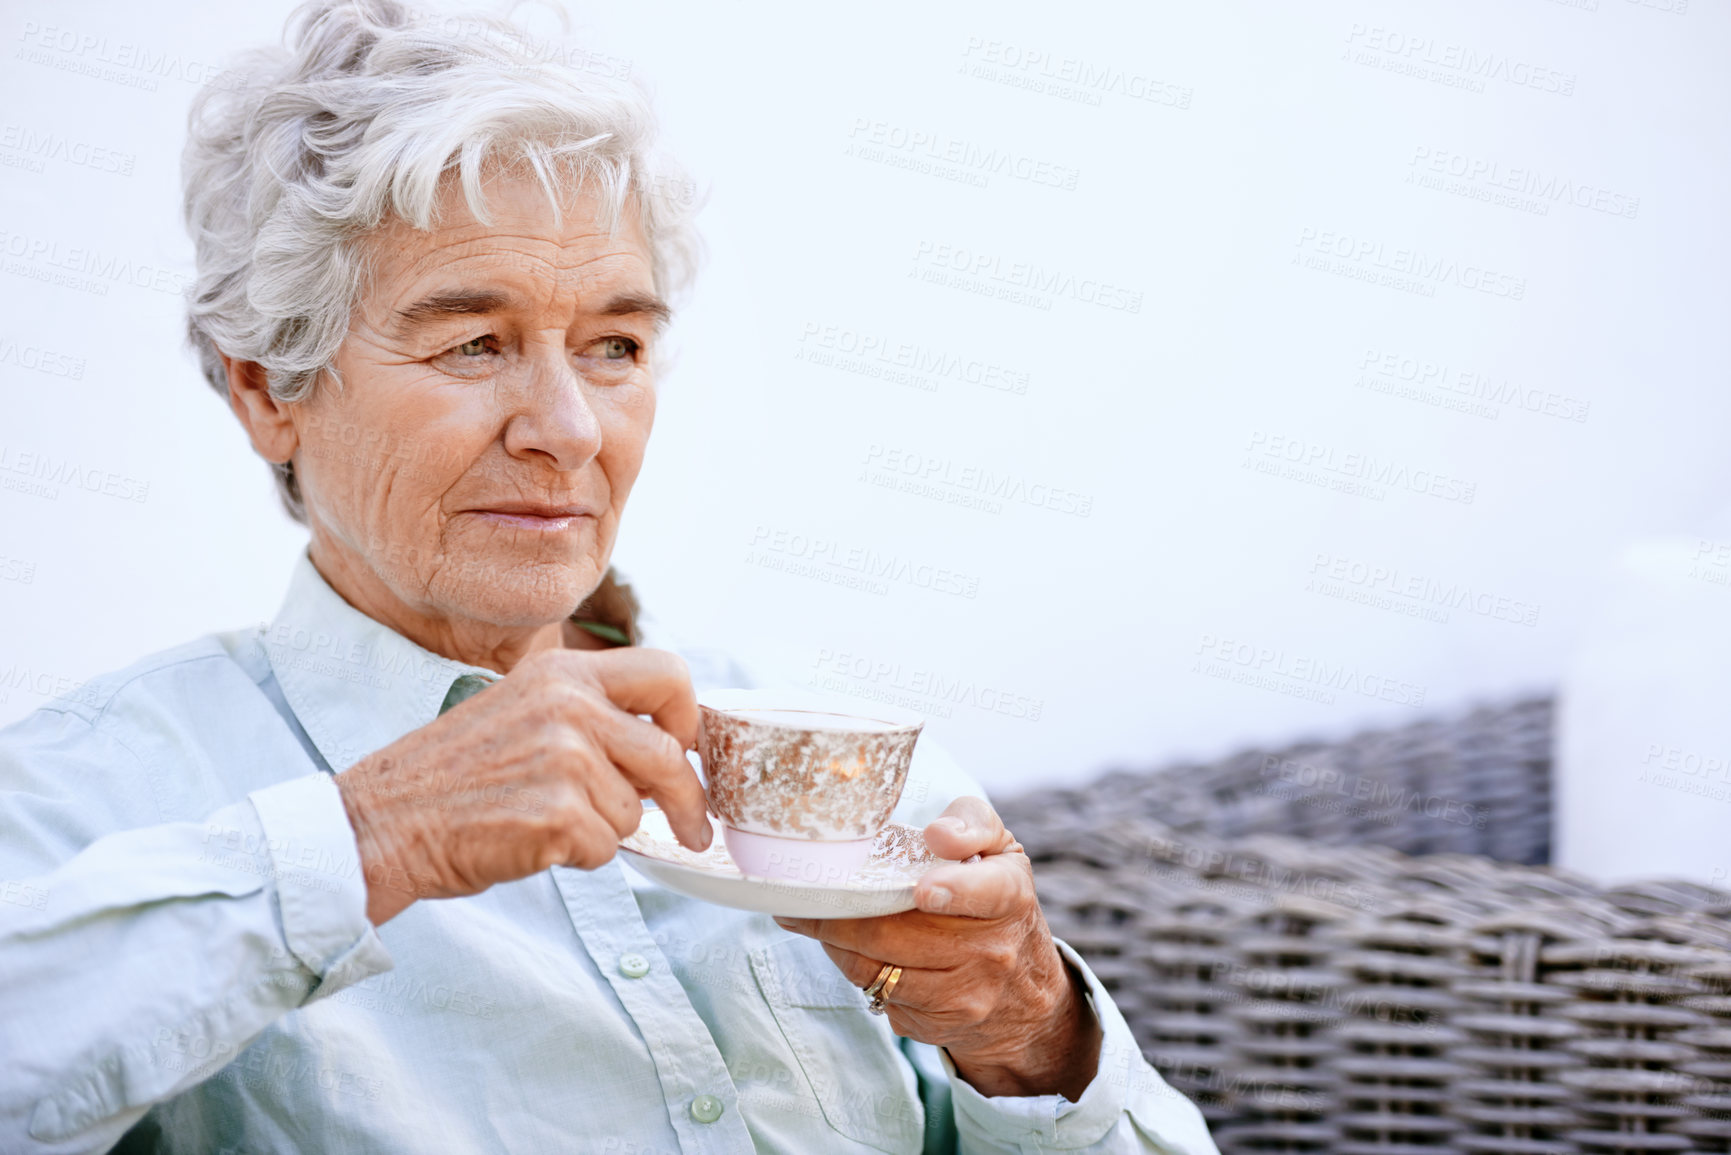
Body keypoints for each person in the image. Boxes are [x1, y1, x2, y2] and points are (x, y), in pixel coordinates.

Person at [0, 2, 1218, 1151]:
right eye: (474, 342)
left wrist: (1032, 1039)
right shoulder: (93, 791)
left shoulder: (804, 763)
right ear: (270, 389)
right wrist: (373, 837)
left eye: (615, 346)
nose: (570, 427)